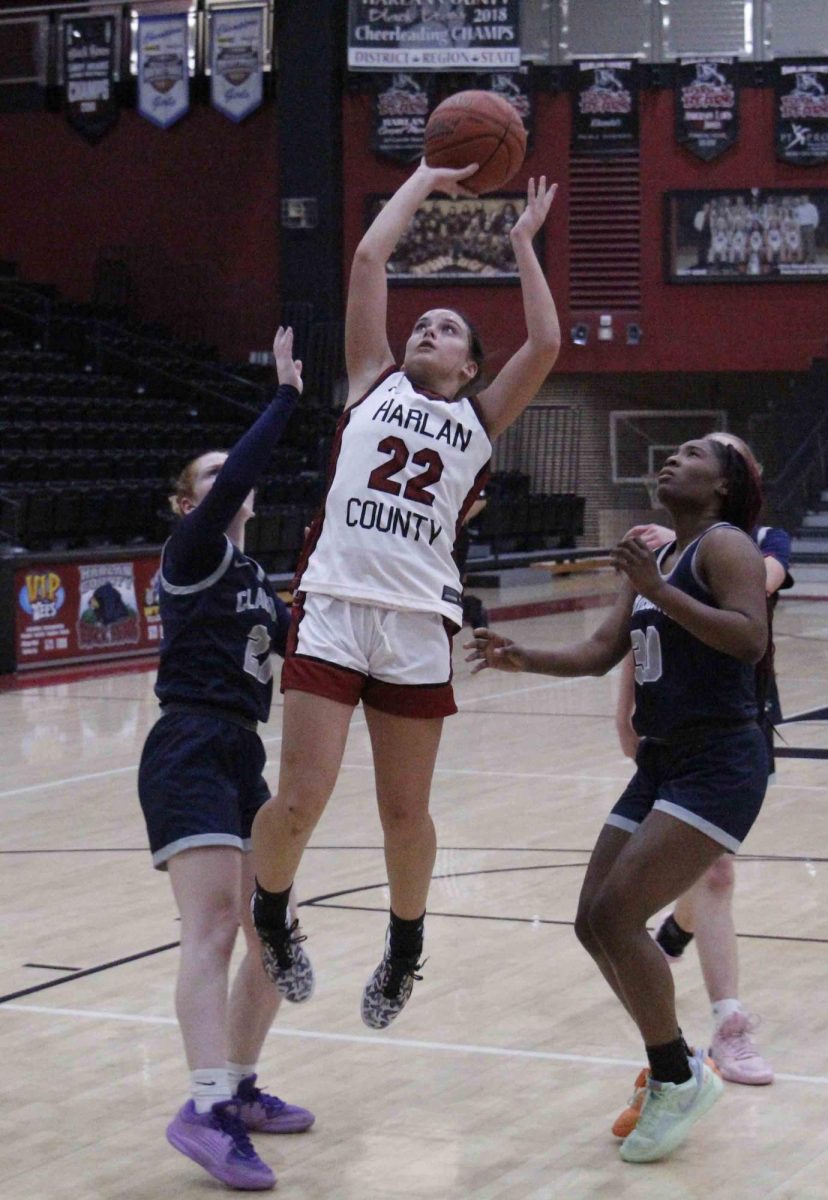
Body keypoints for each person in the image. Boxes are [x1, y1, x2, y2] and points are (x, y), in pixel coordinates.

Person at [251, 159, 560, 1031]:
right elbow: (367, 263)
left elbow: (545, 346)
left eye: (448, 328)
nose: (428, 329)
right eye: (422, 322)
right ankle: (272, 915)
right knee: (301, 797)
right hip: (338, 603)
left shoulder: (481, 418)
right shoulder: (372, 380)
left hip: (420, 621)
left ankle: (405, 947)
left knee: (404, 812)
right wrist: (424, 174)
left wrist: (522, 245)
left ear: (469, 366)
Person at [466, 434, 770, 1162]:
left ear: (723, 486)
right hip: (663, 761)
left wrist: (661, 591)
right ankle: (676, 1066)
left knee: (617, 912)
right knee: (590, 920)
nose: (673, 457)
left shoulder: (725, 547)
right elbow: (603, 649)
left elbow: (750, 640)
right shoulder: (652, 561)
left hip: (720, 760)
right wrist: (524, 654)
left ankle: (676, 1074)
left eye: (694, 454)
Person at [138, 327, 314, 1192]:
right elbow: (241, 474)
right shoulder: (195, 553)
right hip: (190, 746)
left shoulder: (259, 583)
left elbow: (318, 659)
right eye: (207, 477)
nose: (225, 483)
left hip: (242, 754)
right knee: (211, 931)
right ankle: (203, 1105)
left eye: (224, 474)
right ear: (188, 503)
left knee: (272, 937)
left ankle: (238, 1087)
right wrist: (282, 397)